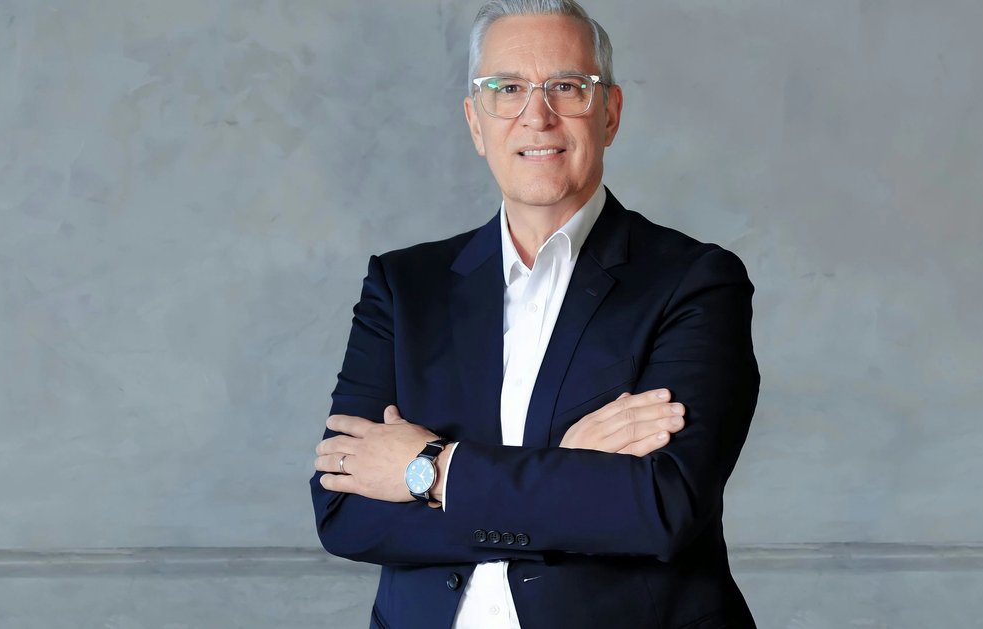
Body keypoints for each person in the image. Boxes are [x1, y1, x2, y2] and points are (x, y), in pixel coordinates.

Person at [310, 1, 760, 627]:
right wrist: (567, 472)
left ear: (610, 113)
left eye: (567, 87)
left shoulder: (695, 281)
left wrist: (429, 472)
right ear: (476, 122)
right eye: (508, 89)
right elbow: (343, 511)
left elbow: (660, 507)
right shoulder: (403, 287)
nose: (537, 116)